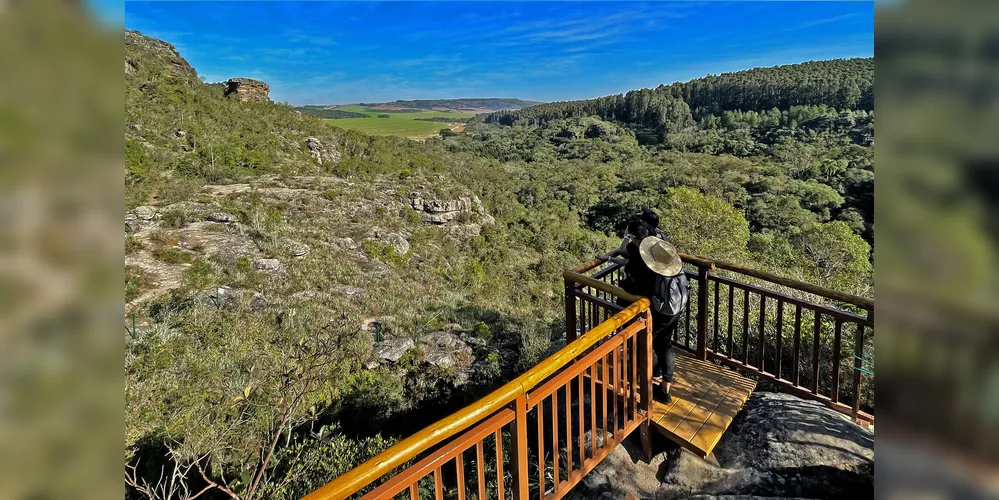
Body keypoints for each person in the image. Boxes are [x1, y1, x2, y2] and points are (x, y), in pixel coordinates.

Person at [629, 235, 688, 404]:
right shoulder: (678, 270)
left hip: (661, 313)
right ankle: (664, 390)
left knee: (644, 342)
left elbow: (645, 290)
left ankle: (638, 379)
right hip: (675, 311)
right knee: (664, 346)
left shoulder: (656, 275)